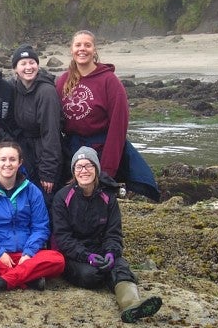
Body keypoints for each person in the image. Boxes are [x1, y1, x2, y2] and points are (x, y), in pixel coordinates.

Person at [53, 147, 163, 323]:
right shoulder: (62, 197)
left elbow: (114, 232)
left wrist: (111, 252)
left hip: (102, 249)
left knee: (120, 266)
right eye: (79, 167)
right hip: (77, 255)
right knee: (90, 275)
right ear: (73, 171)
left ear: (96, 169)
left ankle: (131, 304)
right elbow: (63, 237)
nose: (84, 171)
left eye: (88, 165)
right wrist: (87, 256)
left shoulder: (108, 197)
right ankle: (111, 280)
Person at [55, 30, 159, 201]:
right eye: (78, 45)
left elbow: (118, 127)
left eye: (87, 45)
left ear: (95, 50)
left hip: (101, 147)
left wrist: (107, 170)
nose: (82, 49)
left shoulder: (110, 81)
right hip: (72, 148)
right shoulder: (63, 81)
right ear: (71, 49)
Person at [0, 141, 65, 296]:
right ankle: (28, 278)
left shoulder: (32, 191)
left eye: (12, 160)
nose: (7, 164)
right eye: (3, 159)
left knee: (58, 260)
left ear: (20, 162)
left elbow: (41, 227)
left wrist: (28, 252)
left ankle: (2, 281)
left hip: (26, 254)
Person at [11, 44, 63, 203]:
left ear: (38, 65)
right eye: (23, 63)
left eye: (32, 62)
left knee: (45, 200)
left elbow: (51, 133)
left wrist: (48, 172)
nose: (28, 67)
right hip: (25, 151)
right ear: (15, 69)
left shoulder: (46, 92)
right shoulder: (14, 88)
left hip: (45, 153)